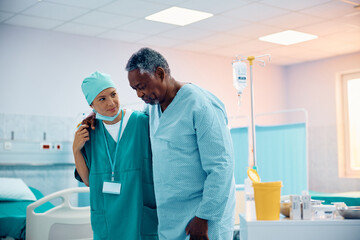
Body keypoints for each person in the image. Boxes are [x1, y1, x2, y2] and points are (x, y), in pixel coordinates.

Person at [125, 48, 236, 240]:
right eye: (135, 89)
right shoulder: (152, 109)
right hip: (171, 217)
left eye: (142, 86)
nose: (139, 94)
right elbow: (129, 122)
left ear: (160, 73)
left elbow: (221, 166)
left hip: (203, 217)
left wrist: (204, 216)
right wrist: (99, 117)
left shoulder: (198, 104)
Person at [73, 71, 158, 240]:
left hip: (139, 215)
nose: (111, 102)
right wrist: (76, 149)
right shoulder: (88, 132)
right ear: (91, 105)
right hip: (107, 219)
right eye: (102, 99)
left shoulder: (142, 122)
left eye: (113, 94)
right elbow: (89, 181)